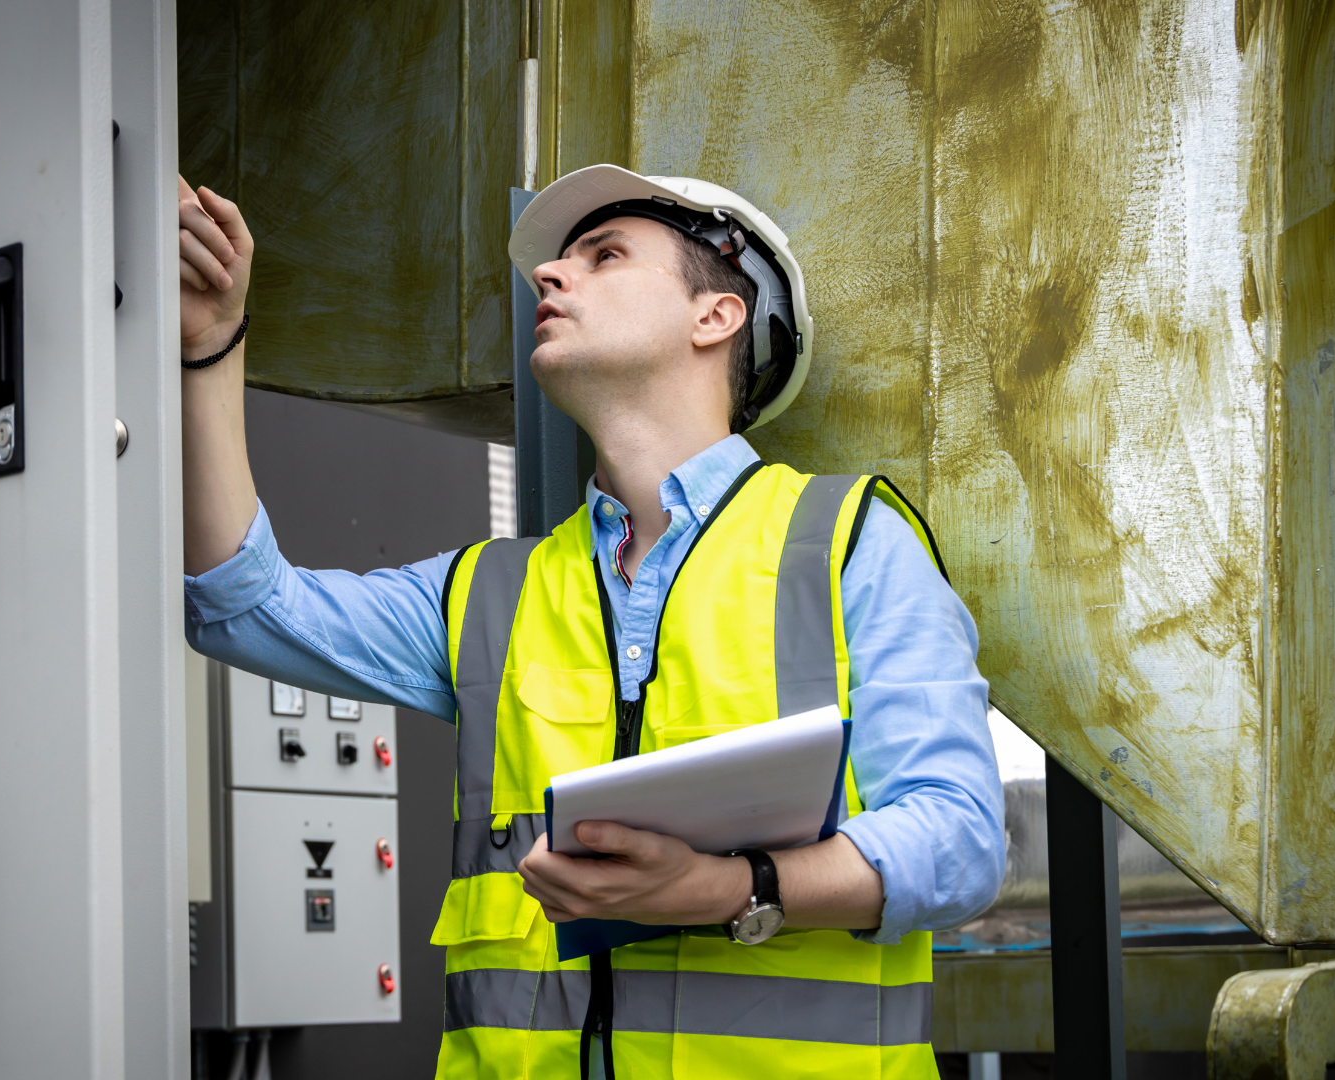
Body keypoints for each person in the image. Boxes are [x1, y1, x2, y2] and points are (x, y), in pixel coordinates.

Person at [178, 164, 1003, 1079]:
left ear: (714, 316)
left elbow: (960, 840)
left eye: (603, 256)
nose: (551, 276)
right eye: (556, 262)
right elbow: (240, 605)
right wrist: (210, 348)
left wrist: (732, 888)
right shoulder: (488, 592)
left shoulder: (848, 544)